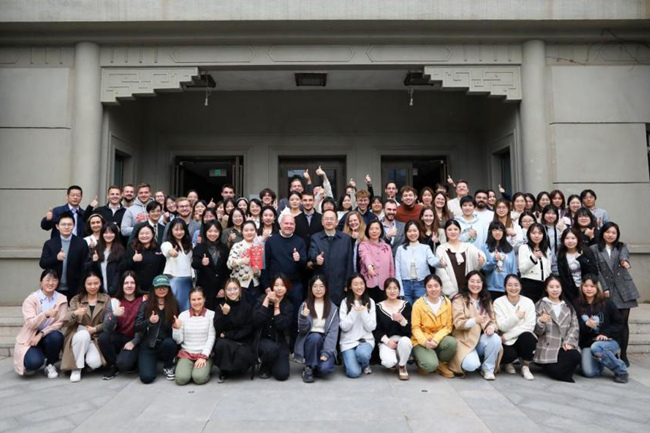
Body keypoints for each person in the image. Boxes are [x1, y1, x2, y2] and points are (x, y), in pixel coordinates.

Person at [590, 222, 639, 367]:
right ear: (602, 233)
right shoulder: (594, 249)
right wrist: (604, 288)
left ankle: (623, 354)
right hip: (607, 289)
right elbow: (597, 270)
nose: (610, 235)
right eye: (608, 232)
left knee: (623, 323)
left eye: (614, 233)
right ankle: (613, 352)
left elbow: (624, 256)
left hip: (624, 288)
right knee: (610, 322)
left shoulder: (621, 246)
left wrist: (625, 262)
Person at [262, 214, 307, 347]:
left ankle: (294, 348)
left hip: (295, 285)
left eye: (291, 224)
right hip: (275, 286)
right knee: (273, 316)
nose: (288, 226)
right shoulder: (271, 241)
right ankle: (275, 346)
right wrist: (266, 286)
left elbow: (305, 265)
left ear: (295, 226)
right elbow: (265, 265)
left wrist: (299, 259)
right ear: (280, 224)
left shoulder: (300, 241)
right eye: (286, 223)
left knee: (295, 317)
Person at [574, 275, 629, 383]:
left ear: (597, 287)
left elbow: (619, 323)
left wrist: (605, 333)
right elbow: (574, 326)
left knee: (597, 347)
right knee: (589, 373)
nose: (589, 289)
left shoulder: (607, 303)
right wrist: (586, 325)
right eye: (586, 286)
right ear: (581, 287)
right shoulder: (576, 304)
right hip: (587, 344)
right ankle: (601, 360)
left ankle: (621, 371)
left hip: (609, 341)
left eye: (592, 286)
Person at [14, 269, 68, 378]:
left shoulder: (61, 299)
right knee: (33, 363)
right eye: (47, 280)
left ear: (58, 282)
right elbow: (31, 324)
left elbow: (60, 323)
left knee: (57, 336)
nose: (51, 283)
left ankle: (50, 364)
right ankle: (36, 356)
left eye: (54, 280)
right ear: (41, 281)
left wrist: (41, 334)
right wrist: (46, 315)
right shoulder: (31, 299)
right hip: (31, 337)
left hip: (48, 335)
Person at [449, 271, 503, 380]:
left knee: (495, 338)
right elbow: (458, 323)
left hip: (481, 341)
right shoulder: (459, 299)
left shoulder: (486, 299)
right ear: (467, 282)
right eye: (472, 281)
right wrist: (474, 320)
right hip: (465, 341)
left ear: (482, 283)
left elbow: (493, 321)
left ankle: (488, 369)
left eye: (478, 282)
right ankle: (477, 361)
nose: (475, 284)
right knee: (471, 365)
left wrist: (491, 327)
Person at [61, 269, 110, 382]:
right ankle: (76, 368)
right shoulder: (77, 299)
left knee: (95, 363)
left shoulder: (106, 299)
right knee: (83, 335)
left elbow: (110, 322)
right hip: (78, 335)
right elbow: (65, 321)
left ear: (100, 283)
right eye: (89, 284)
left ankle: (84, 358)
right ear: (84, 284)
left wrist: (96, 329)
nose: (93, 287)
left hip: (95, 337)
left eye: (96, 283)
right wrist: (75, 313)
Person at [534, 276, 581, 382]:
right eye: (551, 287)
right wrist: (540, 321)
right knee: (555, 369)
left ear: (561, 288)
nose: (555, 290)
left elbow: (574, 327)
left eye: (557, 287)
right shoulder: (540, 305)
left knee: (575, 356)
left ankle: (560, 372)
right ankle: (559, 372)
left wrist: (569, 342)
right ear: (546, 289)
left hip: (563, 346)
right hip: (547, 346)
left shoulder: (568, 306)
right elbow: (537, 331)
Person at [294, 275, 340, 383]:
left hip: (325, 342)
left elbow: (333, 333)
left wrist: (326, 352)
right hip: (310, 341)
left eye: (321, 286)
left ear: (326, 288)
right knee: (315, 337)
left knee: (325, 370)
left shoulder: (333, 308)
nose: (318, 289)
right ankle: (309, 368)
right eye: (315, 286)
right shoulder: (305, 305)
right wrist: (304, 317)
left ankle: (315, 365)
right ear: (310, 288)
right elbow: (302, 331)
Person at [99, 271, 144, 380]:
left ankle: (130, 361)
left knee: (125, 364)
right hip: (119, 337)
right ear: (121, 285)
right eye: (126, 283)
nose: (129, 285)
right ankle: (113, 366)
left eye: (132, 283)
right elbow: (106, 328)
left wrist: (134, 342)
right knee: (103, 338)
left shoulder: (143, 300)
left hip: (137, 339)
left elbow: (144, 325)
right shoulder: (114, 301)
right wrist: (114, 315)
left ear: (136, 284)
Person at [410, 274, 457, 378]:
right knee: (430, 366)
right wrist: (425, 342)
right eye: (429, 286)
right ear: (425, 288)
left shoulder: (447, 303)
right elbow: (415, 328)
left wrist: (436, 339)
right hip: (422, 341)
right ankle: (424, 363)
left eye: (436, 286)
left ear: (441, 287)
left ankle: (441, 364)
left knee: (452, 342)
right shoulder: (418, 304)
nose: (433, 289)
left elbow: (448, 326)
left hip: (439, 339)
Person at [135, 274, 180, 383]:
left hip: (166, 344)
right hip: (148, 345)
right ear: (153, 289)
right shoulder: (146, 305)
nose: (161, 289)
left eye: (164, 287)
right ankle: (149, 362)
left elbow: (177, 327)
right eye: (158, 287)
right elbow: (136, 327)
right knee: (146, 378)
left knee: (169, 343)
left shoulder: (174, 304)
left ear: (168, 288)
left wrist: (176, 327)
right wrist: (149, 321)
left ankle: (168, 365)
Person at [493, 275, 536, 380]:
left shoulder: (528, 302)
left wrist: (508, 335)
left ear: (521, 286)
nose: (513, 288)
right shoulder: (498, 302)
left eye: (516, 285)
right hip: (506, 341)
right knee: (509, 355)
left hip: (513, 337)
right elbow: (501, 325)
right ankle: (508, 363)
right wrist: (516, 317)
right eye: (509, 285)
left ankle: (525, 366)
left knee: (528, 337)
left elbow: (530, 325)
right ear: (505, 287)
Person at [214, 279, 256, 382]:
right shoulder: (221, 307)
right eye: (229, 289)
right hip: (226, 342)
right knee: (221, 345)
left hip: (242, 341)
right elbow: (218, 329)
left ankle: (236, 369)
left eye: (235, 289)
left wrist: (227, 335)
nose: (232, 292)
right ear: (225, 291)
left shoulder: (247, 307)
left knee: (241, 353)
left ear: (240, 290)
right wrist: (225, 315)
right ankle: (224, 370)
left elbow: (248, 330)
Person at [39, 212, 90, 299]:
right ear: (57, 226)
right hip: (54, 287)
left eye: (69, 224)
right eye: (63, 224)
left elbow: (85, 266)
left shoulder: (81, 243)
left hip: (75, 289)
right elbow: (43, 264)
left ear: (73, 226)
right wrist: (56, 258)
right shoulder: (50, 243)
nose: (66, 227)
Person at [253, 274, 293, 381]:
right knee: (270, 349)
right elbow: (256, 320)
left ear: (287, 288)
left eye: (282, 285)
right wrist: (266, 300)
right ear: (272, 287)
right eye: (276, 285)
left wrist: (276, 306)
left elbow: (281, 326)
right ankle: (264, 367)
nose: (279, 288)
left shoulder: (288, 306)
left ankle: (272, 363)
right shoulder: (262, 299)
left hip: (279, 341)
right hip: (262, 339)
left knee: (282, 374)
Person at [309, 209, 354, 306]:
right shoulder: (315, 238)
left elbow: (349, 262)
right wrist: (316, 258)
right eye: (326, 219)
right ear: (322, 222)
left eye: (331, 219)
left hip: (340, 283)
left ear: (337, 222)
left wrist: (347, 283)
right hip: (322, 283)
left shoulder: (345, 238)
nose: (329, 221)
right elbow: (312, 252)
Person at [172, 288, 216, 385]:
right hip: (187, 353)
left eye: (199, 299)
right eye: (193, 299)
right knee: (181, 379)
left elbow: (211, 337)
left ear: (204, 299)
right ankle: (187, 368)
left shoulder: (211, 315)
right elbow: (179, 341)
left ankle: (204, 370)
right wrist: (176, 329)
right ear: (189, 301)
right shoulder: (183, 316)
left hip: (204, 354)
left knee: (198, 378)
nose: (196, 302)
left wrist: (203, 356)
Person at [394, 220, 444, 304]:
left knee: (421, 308)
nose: (412, 233)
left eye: (415, 230)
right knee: (407, 309)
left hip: (421, 284)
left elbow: (432, 260)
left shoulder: (425, 247)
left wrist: (440, 262)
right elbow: (397, 271)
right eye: (409, 231)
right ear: (406, 233)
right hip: (405, 284)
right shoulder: (400, 249)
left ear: (419, 231)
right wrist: (400, 290)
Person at [339, 274, 377, 378]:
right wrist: (353, 312)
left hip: (365, 341)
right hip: (348, 342)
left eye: (361, 284)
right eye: (355, 284)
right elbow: (344, 327)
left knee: (362, 354)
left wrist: (364, 312)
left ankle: (364, 364)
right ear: (350, 286)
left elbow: (371, 327)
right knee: (353, 373)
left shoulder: (370, 302)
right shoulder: (345, 302)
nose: (359, 287)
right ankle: (350, 361)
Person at [374, 278, 413, 380]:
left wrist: (402, 320)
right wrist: (387, 341)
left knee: (405, 341)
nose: (392, 291)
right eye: (389, 288)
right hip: (386, 341)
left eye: (395, 288)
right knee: (388, 362)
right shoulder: (378, 307)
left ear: (399, 290)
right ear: (385, 290)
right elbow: (376, 330)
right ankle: (394, 362)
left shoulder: (406, 305)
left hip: (402, 341)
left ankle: (402, 366)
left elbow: (410, 330)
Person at [436, 220, 485, 298]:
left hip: (468, 291)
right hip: (450, 294)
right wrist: (452, 293)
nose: (453, 232)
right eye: (449, 229)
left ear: (460, 231)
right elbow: (441, 272)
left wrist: (481, 259)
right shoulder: (441, 249)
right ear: (445, 232)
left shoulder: (468, 246)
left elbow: (479, 255)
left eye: (455, 229)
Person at [192, 221, 229, 310]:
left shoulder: (224, 248)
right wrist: (202, 262)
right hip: (204, 289)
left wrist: (223, 288)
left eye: (216, 231)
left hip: (219, 290)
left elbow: (227, 270)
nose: (213, 234)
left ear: (220, 232)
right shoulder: (199, 247)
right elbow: (194, 264)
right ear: (205, 232)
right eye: (210, 231)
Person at [556, 228, 598, 303]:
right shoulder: (561, 255)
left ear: (578, 239)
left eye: (573, 238)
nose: (570, 241)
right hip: (569, 291)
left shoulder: (585, 251)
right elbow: (563, 277)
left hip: (586, 289)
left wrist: (581, 259)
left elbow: (594, 271)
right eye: (567, 238)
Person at [119, 224, 165, 293]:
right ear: (137, 235)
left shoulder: (157, 247)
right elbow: (122, 268)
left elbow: (162, 266)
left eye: (147, 233)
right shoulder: (132, 248)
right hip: (136, 289)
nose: (144, 236)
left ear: (153, 234)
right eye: (141, 233)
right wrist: (133, 260)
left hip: (154, 288)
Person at [161, 219, 194, 312]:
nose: (179, 232)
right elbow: (166, 249)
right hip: (174, 280)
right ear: (171, 230)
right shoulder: (167, 244)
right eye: (176, 229)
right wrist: (171, 252)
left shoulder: (190, 244)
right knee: (174, 307)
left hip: (189, 280)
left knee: (188, 308)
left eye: (181, 229)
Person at [359, 220, 395, 303]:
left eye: (377, 228)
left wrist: (392, 282)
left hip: (385, 285)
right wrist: (369, 266)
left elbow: (391, 267)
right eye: (371, 229)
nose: (374, 231)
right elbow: (365, 256)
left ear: (381, 230)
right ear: (367, 231)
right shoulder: (363, 245)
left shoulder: (387, 247)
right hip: (368, 284)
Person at [228, 221, 263, 305]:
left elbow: (261, 269)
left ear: (256, 231)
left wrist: (257, 272)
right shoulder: (237, 246)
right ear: (242, 232)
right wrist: (242, 261)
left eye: (252, 230)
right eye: (246, 230)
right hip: (239, 285)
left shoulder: (259, 247)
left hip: (255, 284)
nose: (249, 232)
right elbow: (229, 264)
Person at [481, 221, 518, 300]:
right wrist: (494, 260)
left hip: (507, 288)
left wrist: (514, 285)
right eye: (495, 230)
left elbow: (513, 269)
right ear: (490, 232)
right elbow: (484, 268)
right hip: (491, 288)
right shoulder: (485, 247)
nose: (498, 232)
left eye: (500, 230)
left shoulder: (509, 248)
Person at [518, 223, 553, 303]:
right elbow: (522, 269)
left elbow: (548, 269)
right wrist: (534, 258)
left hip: (544, 284)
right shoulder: (524, 248)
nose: (536, 236)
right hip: (529, 283)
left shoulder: (546, 249)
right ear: (529, 234)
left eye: (540, 233)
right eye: (533, 233)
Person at [89, 222, 125, 295]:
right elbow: (89, 270)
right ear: (102, 234)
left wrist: (114, 288)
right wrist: (94, 261)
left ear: (115, 234)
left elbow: (120, 272)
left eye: (111, 233)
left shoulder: (121, 251)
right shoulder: (96, 250)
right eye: (105, 233)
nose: (108, 235)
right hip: (98, 290)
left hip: (115, 291)